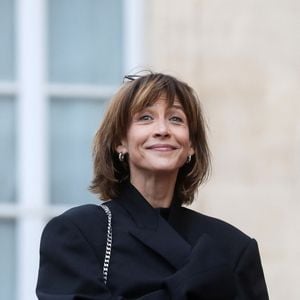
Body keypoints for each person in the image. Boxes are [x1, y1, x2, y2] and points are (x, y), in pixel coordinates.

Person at [36, 72, 269, 299]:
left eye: (176, 119)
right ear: (120, 142)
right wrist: (187, 285)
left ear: (191, 146)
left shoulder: (233, 248)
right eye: (145, 118)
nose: (162, 130)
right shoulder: (79, 233)